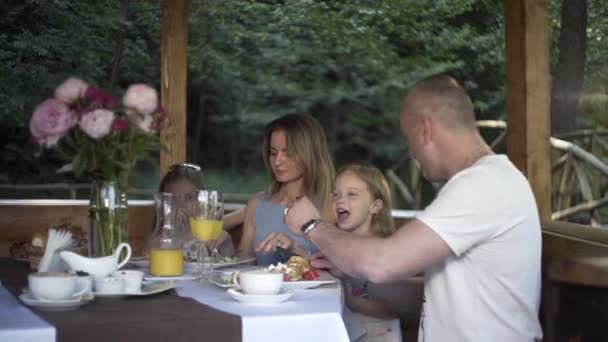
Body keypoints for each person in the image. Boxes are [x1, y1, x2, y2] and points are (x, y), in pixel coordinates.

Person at [284, 75, 543, 342]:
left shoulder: (484, 185)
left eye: (410, 139)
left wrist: (312, 225)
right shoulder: (484, 183)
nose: (412, 152)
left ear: (425, 131)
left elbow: (381, 262)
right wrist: (355, 277)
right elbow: (426, 296)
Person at [332, 164, 423, 342]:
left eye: (352, 194)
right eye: (336, 194)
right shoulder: (339, 245)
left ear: (374, 206)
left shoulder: (385, 251)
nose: (340, 201)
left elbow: (390, 309)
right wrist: (297, 250)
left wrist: (347, 300)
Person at [236, 112, 335, 266]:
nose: (277, 161)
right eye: (273, 153)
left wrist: (295, 249)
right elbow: (243, 261)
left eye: (288, 152)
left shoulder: (331, 206)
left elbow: (341, 272)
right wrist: (223, 246)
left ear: (309, 153)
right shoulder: (256, 203)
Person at [158, 163, 245, 258]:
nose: (181, 204)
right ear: (163, 203)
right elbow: (148, 256)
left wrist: (225, 245)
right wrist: (167, 232)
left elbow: (228, 261)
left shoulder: (208, 233)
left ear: (201, 200)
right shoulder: (161, 236)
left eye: (189, 197)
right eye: (174, 198)